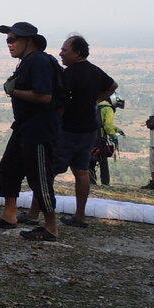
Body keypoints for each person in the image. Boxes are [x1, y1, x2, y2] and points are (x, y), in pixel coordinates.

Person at [0, 21, 61, 241]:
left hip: (40, 129)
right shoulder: (28, 61)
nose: (9, 44)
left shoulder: (39, 61)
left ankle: (51, 227)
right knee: (9, 168)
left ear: (29, 41)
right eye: (8, 40)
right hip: (24, 126)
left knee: (40, 178)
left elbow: (44, 96)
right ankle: (9, 215)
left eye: (13, 39)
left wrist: (15, 92)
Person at [23, 34, 116, 228]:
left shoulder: (68, 74)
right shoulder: (94, 71)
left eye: (65, 50)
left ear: (77, 52)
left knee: (46, 173)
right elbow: (112, 86)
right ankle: (80, 216)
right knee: (82, 171)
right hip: (89, 130)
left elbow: (60, 103)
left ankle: (33, 215)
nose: (61, 53)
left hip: (67, 130)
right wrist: (94, 101)